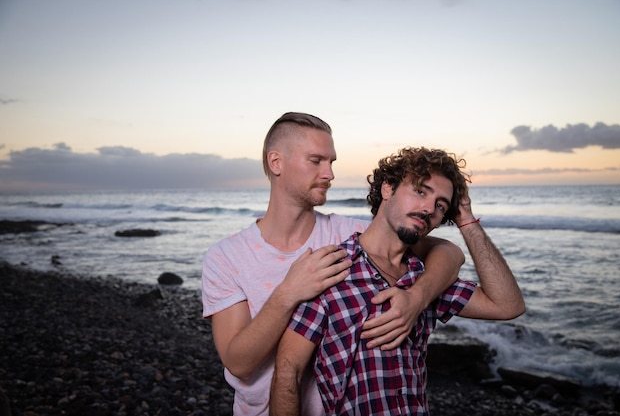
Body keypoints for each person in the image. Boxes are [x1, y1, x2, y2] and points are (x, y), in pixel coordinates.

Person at [202, 113, 465, 416]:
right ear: (277, 163)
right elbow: (239, 364)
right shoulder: (226, 257)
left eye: (332, 162)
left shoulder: (350, 234)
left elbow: (447, 252)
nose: (329, 174)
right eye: (316, 161)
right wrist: (288, 293)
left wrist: (417, 299)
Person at [269, 147, 526, 416]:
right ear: (388, 189)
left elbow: (507, 305)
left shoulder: (426, 279)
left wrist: (466, 219)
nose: (429, 208)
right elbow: (289, 370)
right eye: (420, 191)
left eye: (441, 206)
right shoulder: (332, 269)